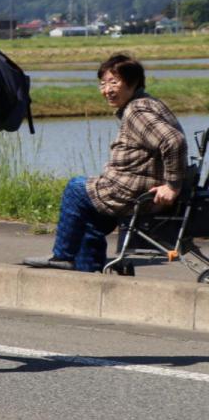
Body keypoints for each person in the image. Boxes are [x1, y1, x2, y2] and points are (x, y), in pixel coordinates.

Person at [26, 54, 186, 272]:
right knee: (89, 219)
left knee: (75, 189)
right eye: (103, 83)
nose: (107, 90)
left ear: (133, 82)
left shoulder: (137, 110)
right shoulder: (147, 103)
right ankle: (90, 271)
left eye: (114, 82)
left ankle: (62, 255)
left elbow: (173, 140)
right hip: (135, 188)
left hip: (135, 192)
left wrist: (172, 185)